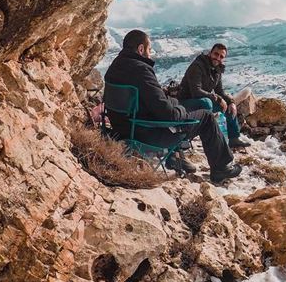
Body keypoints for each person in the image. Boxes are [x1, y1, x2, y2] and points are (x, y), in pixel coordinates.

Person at [103, 30, 242, 182]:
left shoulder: (114, 67)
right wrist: (179, 107)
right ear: (141, 49)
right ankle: (221, 168)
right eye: (149, 50)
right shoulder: (141, 70)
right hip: (146, 134)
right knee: (206, 117)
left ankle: (177, 158)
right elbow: (169, 115)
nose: (150, 54)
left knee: (183, 111)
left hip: (122, 129)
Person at [177, 43, 251, 149]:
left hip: (203, 101)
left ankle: (234, 139)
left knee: (226, 107)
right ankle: (186, 137)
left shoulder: (217, 70)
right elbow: (195, 91)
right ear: (210, 53)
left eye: (221, 57)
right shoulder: (197, 66)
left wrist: (231, 102)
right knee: (207, 103)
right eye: (216, 54)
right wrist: (217, 98)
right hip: (186, 102)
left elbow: (220, 91)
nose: (218, 58)